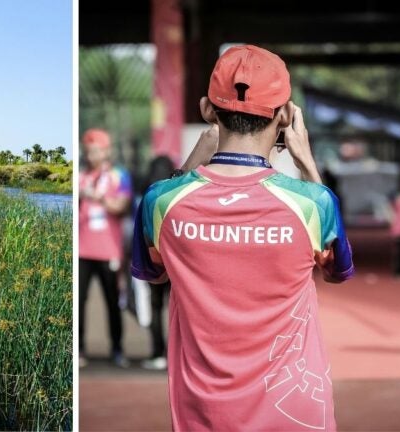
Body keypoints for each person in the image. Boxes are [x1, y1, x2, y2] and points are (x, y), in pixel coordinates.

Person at [132, 44, 354, 431]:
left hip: (204, 414)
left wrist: (187, 168)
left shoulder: (161, 200)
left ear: (206, 109)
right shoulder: (313, 203)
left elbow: (156, 273)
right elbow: (337, 271)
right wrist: (308, 165)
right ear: (286, 115)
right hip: (294, 411)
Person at [78, 128, 133, 368]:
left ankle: (118, 349)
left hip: (109, 249)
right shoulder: (80, 176)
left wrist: (97, 197)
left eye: (97, 150)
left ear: (107, 151)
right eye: (89, 151)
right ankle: (79, 350)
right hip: (83, 250)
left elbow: (121, 206)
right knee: (79, 301)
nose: (92, 155)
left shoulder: (118, 176)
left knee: (113, 301)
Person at [139, 156, 175, 370]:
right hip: (176, 265)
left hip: (154, 261)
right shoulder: (176, 195)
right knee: (177, 309)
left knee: (155, 307)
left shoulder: (150, 196)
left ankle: (156, 352)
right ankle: (173, 354)